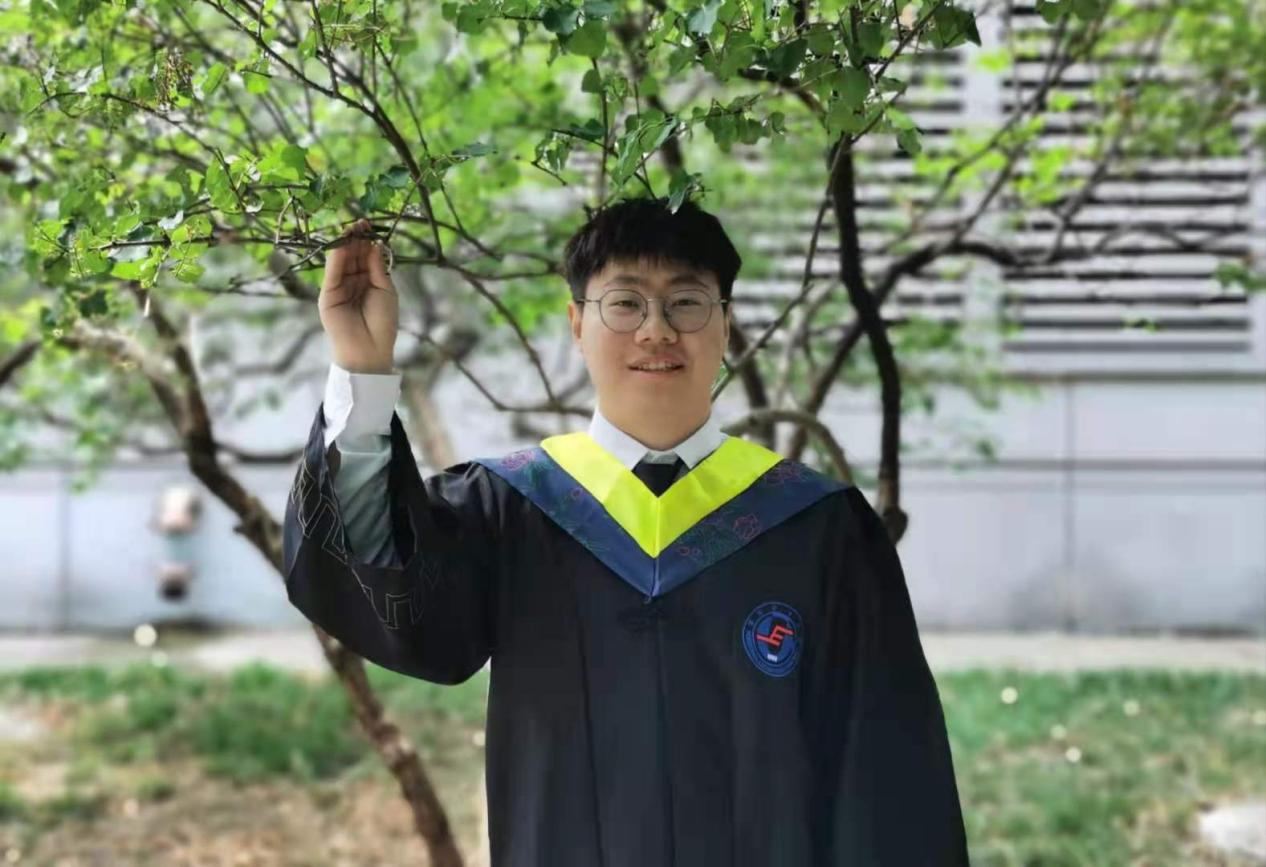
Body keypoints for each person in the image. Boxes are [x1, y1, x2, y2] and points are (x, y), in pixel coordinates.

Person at [282, 196, 970, 866]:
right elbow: (384, 588)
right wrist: (362, 369)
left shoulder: (817, 526)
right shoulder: (511, 509)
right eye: (625, 302)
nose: (655, 330)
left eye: (687, 302)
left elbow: (887, 779)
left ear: (725, 326)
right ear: (577, 323)